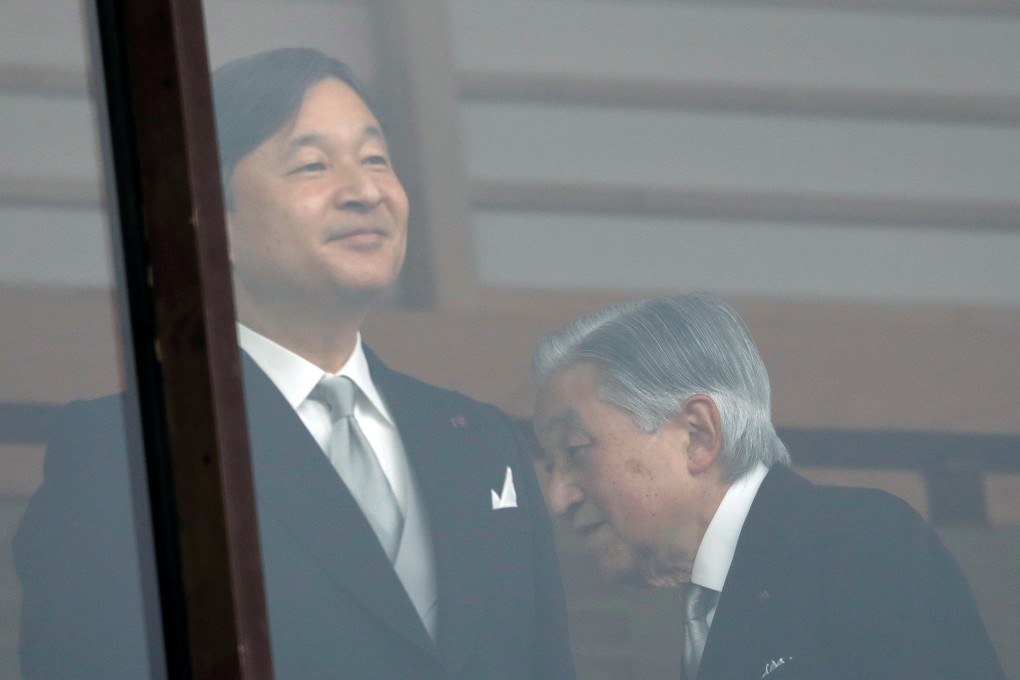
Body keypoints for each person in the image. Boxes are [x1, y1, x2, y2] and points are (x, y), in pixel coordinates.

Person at [14, 48, 574, 680]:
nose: (365, 192)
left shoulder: (482, 441)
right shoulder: (131, 452)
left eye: (376, 160)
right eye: (312, 165)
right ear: (210, 218)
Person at [532, 293, 1004, 680]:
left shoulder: (861, 542)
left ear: (697, 435)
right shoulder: (710, 600)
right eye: (549, 464)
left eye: (575, 450)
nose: (557, 497)